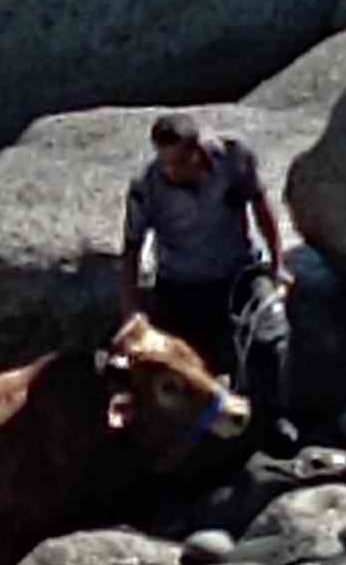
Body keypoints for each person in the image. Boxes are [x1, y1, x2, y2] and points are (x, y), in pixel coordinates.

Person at [119, 113, 298, 456]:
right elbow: (131, 247)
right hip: (180, 282)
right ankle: (196, 442)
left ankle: (272, 418)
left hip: (239, 270)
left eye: (179, 163)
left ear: (198, 152)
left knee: (270, 334)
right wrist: (130, 312)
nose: (171, 171)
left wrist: (278, 266)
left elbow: (261, 206)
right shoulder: (146, 187)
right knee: (178, 363)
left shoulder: (234, 158)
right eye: (165, 162)